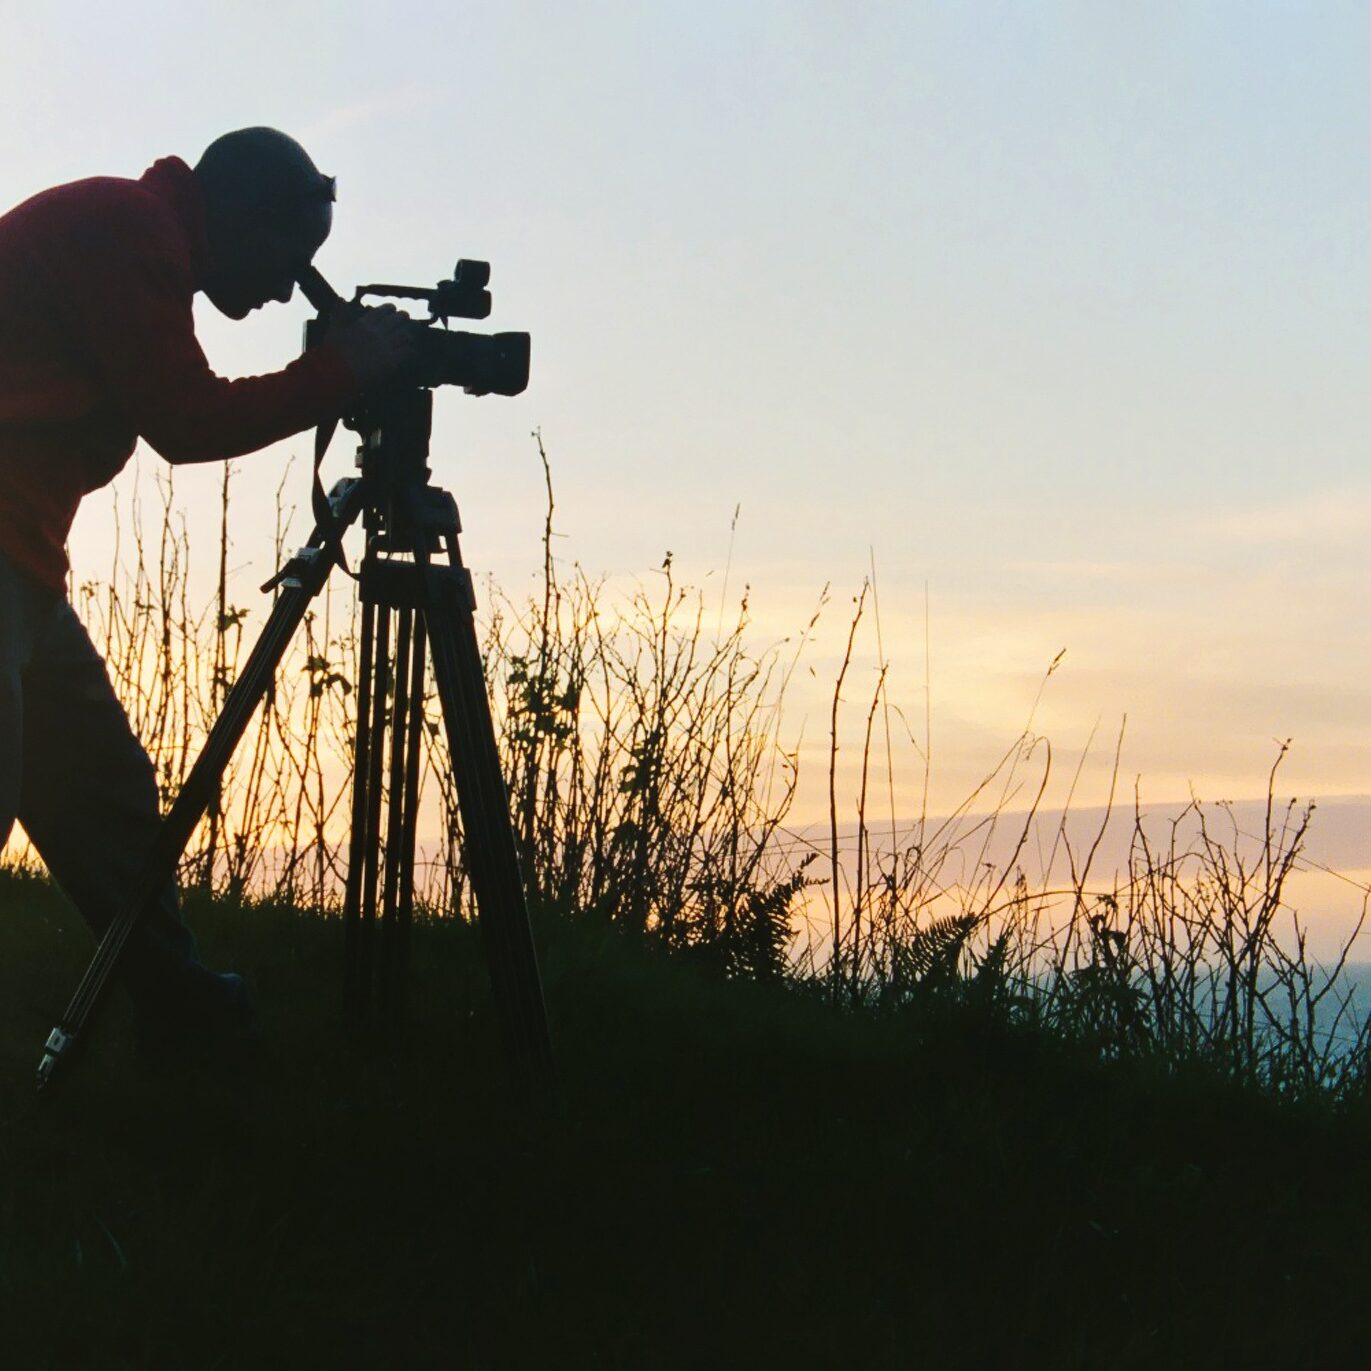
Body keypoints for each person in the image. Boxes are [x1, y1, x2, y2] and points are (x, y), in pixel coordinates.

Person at [0, 127, 416, 1065]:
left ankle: (177, 1007)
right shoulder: (130, 232)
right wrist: (341, 372)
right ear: (242, 217)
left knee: (102, 787)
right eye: (289, 257)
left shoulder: (132, 231)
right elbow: (187, 421)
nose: (287, 288)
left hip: (20, 558)